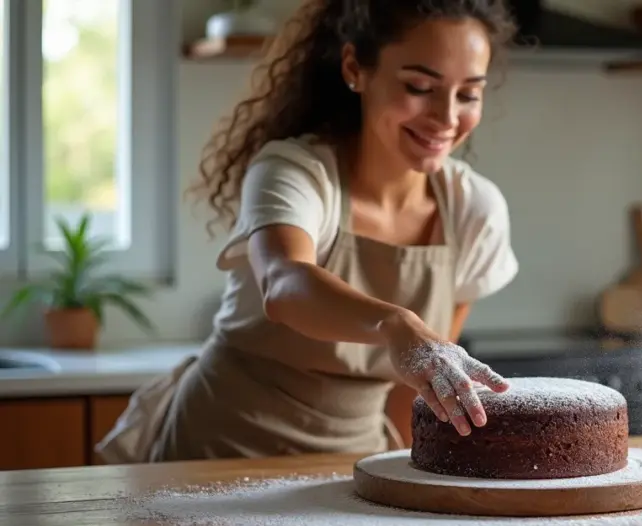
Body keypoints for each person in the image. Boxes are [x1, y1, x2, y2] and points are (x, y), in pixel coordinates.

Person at [95, 0, 520, 463]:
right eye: (419, 86)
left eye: (468, 94)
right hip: (219, 450)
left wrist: (405, 476)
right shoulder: (294, 172)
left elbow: (419, 387)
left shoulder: (472, 210)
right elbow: (283, 283)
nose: (447, 117)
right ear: (355, 68)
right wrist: (397, 325)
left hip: (354, 460)